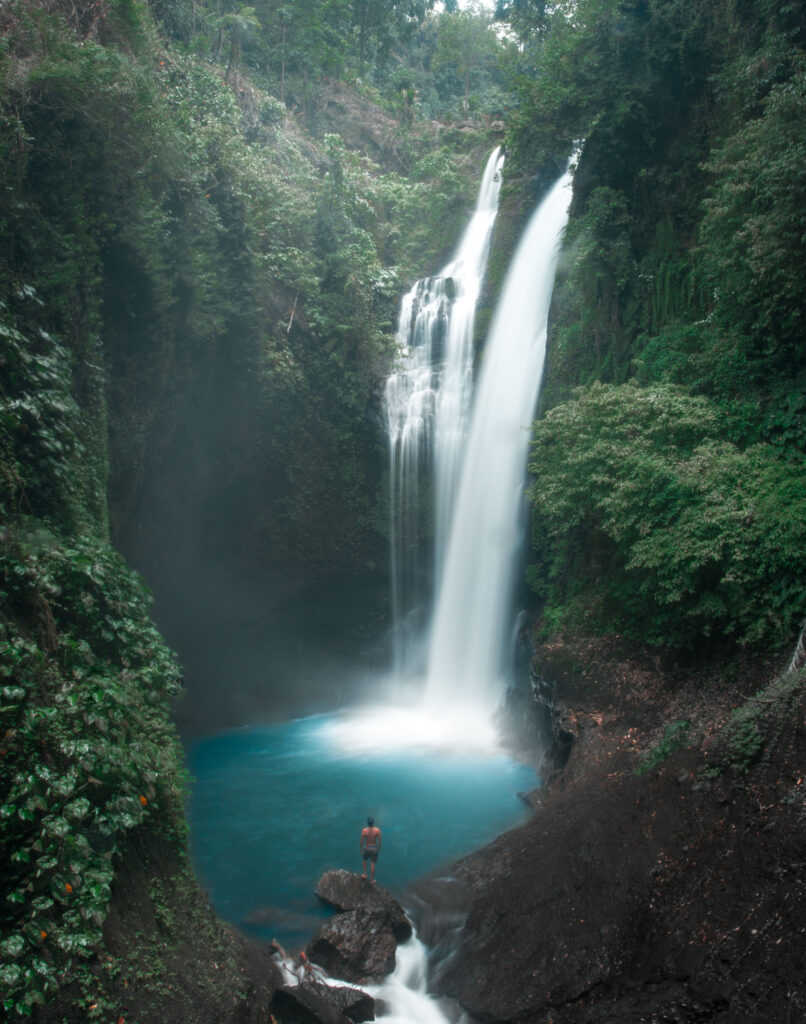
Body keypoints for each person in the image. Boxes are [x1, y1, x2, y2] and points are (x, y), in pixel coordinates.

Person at [360, 816, 382, 882]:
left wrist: (361, 848)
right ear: (373, 823)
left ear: (367, 823)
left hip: (367, 847)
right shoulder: (377, 830)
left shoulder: (364, 830)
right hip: (374, 848)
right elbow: (379, 841)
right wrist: (378, 849)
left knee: (364, 860)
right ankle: (372, 880)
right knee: (372, 863)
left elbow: (361, 841)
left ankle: (365, 874)